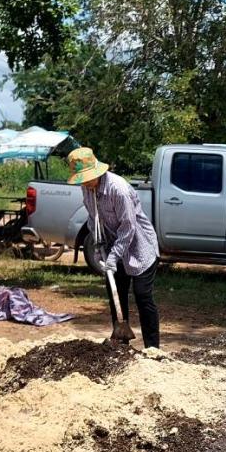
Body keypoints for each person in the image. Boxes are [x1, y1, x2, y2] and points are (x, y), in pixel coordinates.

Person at [68, 147, 161, 350]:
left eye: (86, 178)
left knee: (142, 295)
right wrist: (99, 246)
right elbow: (93, 219)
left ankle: (153, 349)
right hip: (113, 246)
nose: (83, 183)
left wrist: (114, 256)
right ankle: (121, 345)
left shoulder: (118, 189)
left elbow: (128, 227)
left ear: (97, 172)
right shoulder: (87, 188)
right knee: (116, 293)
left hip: (139, 246)